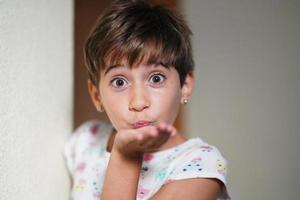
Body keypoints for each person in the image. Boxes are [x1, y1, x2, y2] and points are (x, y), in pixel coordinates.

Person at [64, 0, 230, 199]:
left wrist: (126, 156)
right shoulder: (86, 141)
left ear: (185, 85)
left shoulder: (201, 165)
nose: (138, 102)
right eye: (119, 82)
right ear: (97, 95)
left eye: (156, 78)